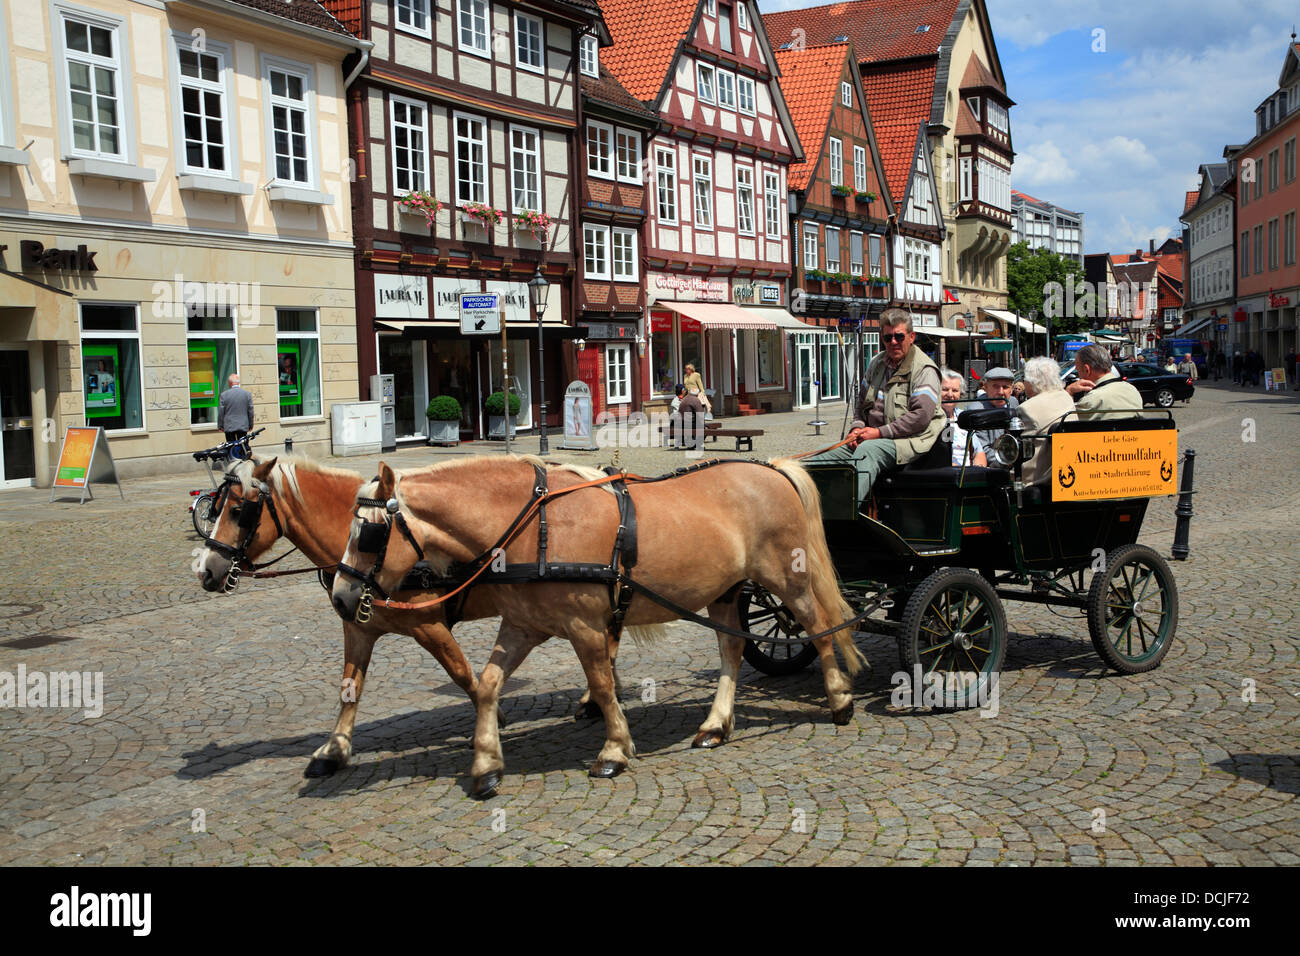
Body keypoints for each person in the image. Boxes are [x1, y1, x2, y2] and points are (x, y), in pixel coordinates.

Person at [803, 308, 945, 505]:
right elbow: (861, 406)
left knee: (867, 452)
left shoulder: (924, 369)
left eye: (899, 336)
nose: (893, 342)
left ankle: (847, 514)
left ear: (911, 337)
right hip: (873, 436)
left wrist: (878, 433)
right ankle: (816, 514)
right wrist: (856, 429)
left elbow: (920, 417)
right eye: (888, 338)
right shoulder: (876, 364)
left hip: (911, 440)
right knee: (821, 456)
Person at [1016, 356, 1078, 484]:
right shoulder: (1066, 397)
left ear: (1033, 382)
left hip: (1037, 480)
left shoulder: (1027, 408)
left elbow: (1018, 451)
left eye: (1025, 379)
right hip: (1067, 474)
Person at [1067, 344, 1143, 420]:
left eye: (1078, 369)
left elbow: (1063, 423)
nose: (1079, 374)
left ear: (1087, 370)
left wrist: (1069, 392)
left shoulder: (1091, 400)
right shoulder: (1132, 390)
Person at [939, 368, 986, 467]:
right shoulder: (931, 417)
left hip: (968, 475)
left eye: (955, 390)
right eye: (945, 389)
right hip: (947, 475)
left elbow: (978, 452)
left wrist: (977, 471)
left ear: (960, 394)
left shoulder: (964, 416)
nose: (950, 394)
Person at [975, 366, 1020, 452]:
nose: (1000, 392)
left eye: (1005, 387)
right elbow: (982, 449)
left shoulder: (1014, 402)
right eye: (995, 387)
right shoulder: (977, 409)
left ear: (1011, 389)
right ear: (985, 387)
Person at [218, 373, 254, 457]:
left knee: (231, 447)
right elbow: (250, 411)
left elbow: (221, 412)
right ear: (238, 383)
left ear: (230, 383)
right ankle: (243, 461)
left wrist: (220, 425)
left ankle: (233, 461)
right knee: (243, 446)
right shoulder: (247, 394)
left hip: (229, 425)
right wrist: (250, 424)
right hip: (243, 425)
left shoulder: (224, 395)